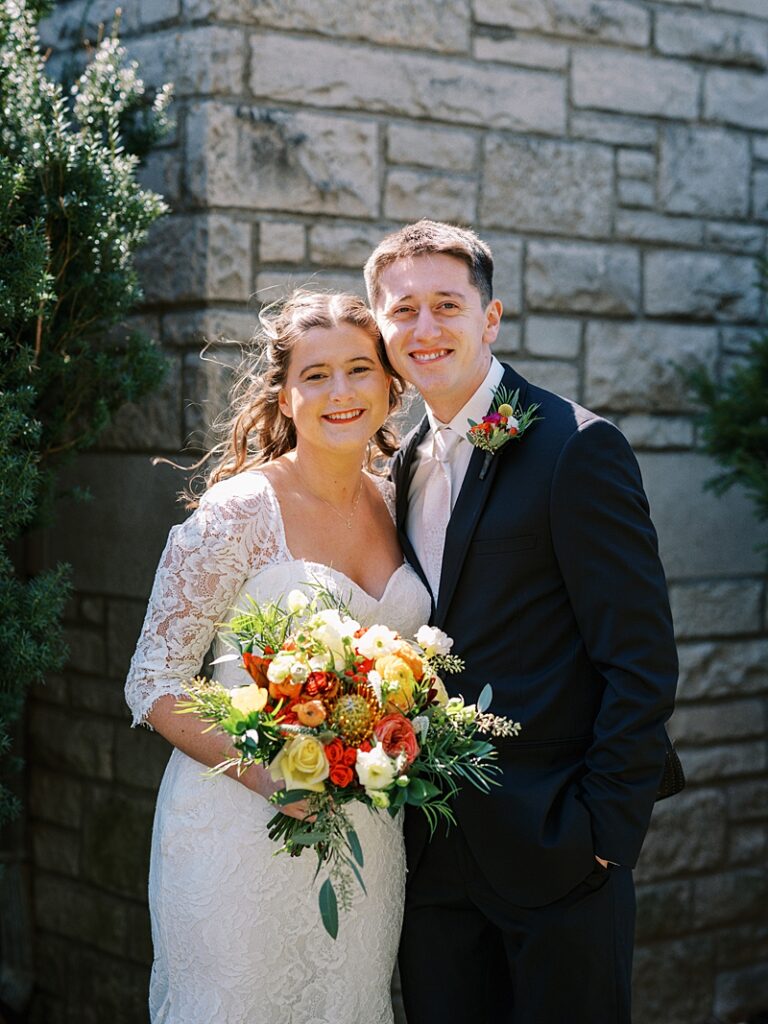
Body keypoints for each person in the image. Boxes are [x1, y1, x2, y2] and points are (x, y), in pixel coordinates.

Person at [364, 220, 679, 1024]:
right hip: (431, 857)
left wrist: (603, 833)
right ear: (383, 327)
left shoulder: (578, 449)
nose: (425, 329)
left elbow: (639, 658)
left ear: (490, 318)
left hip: (557, 851)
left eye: (447, 305)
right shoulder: (397, 466)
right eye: (403, 311)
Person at [124, 291, 431, 1024]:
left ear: (392, 384)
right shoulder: (239, 512)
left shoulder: (405, 504)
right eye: (316, 375)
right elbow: (154, 683)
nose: (341, 392)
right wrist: (271, 778)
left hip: (366, 837)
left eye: (360, 369)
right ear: (285, 395)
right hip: (242, 830)